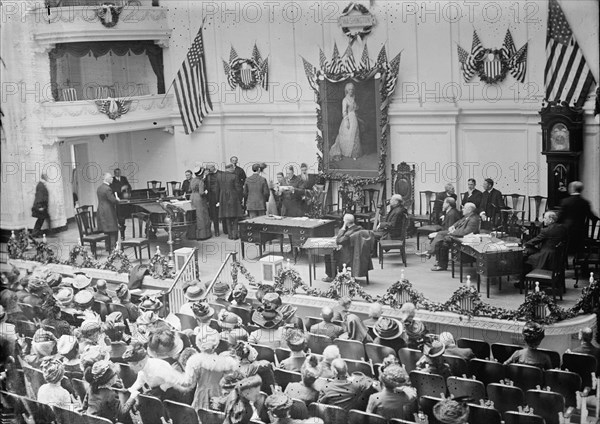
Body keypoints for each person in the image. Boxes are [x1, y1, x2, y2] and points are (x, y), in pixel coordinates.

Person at [428, 202, 481, 271]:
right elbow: (459, 222)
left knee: (441, 241)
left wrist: (452, 232)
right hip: (457, 235)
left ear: (469, 210)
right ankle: (436, 259)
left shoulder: (473, 219)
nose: (462, 209)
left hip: (462, 238)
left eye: (464, 208)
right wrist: (453, 226)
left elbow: (466, 232)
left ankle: (436, 259)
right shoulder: (468, 216)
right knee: (440, 238)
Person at [84, 360, 136, 424]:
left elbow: (84, 406)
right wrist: (132, 397)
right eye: (116, 374)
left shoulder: (91, 388)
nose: (117, 376)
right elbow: (122, 413)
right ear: (109, 378)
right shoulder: (110, 394)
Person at [558, 181, 599, 254]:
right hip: (581, 231)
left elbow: (560, 217)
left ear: (572, 189)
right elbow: (592, 217)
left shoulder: (565, 201)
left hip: (567, 231)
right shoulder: (585, 202)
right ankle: (579, 257)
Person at [323, 214, 363, 282]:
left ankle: (331, 276)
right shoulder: (359, 228)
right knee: (335, 252)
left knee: (328, 255)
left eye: (344, 221)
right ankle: (337, 274)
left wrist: (343, 227)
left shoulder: (349, 233)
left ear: (346, 222)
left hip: (348, 257)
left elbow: (338, 241)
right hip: (357, 254)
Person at [329, 82, 362, 161]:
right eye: (349, 89)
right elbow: (344, 112)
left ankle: (354, 154)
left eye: (352, 89)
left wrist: (355, 108)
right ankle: (346, 152)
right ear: (347, 90)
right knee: (347, 135)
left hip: (354, 118)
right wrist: (347, 121)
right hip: (348, 119)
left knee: (355, 135)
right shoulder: (345, 100)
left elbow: (356, 108)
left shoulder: (353, 98)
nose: (351, 91)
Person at [219, 164, 244, 240]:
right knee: (235, 216)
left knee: (227, 217)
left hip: (223, 198)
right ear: (230, 168)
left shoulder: (220, 176)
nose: (234, 169)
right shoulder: (234, 176)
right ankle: (235, 235)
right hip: (233, 197)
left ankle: (230, 235)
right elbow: (238, 189)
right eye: (233, 167)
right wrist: (240, 198)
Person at [97, 172, 119, 251]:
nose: (112, 179)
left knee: (106, 230)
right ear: (107, 179)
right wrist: (117, 200)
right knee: (113, 229)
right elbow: (113, 200)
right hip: (108, 211)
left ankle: (107, 246)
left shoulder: (99, 188)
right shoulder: (108, 189)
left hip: (101, 210)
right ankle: (113, 247)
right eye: (111, 178)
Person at [190, 165, 212, 240]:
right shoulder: (200, 181)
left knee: (194, 215)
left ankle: (193, 234)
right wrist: (206, 192)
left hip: (192, 197)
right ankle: (202, 235)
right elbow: (201, 192)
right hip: (199, 199)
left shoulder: (192, 180)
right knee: (201, 215)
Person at [110, 168, 130, 240]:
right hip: (118, 199)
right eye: (116, 173)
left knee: (125, 213)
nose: (118, 174)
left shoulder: (124, 178)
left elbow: (129, 186)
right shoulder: (112, 180)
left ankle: (124, 219)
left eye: (119, 172)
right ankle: (121, 230)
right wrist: (120, 190)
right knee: (120, 216)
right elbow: (112, 189)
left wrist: (126, 187)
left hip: (125, 198)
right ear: (114, 173)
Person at [205, 164, 223, 236]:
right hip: (212, 197)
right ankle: (216, 231)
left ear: (213, 167)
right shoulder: (208, 175)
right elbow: (206, 185)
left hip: (220, 196)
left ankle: (226, 230)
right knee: (214, 215)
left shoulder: (221, 174)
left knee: (223, 214)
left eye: (209, 169)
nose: (208, 170)